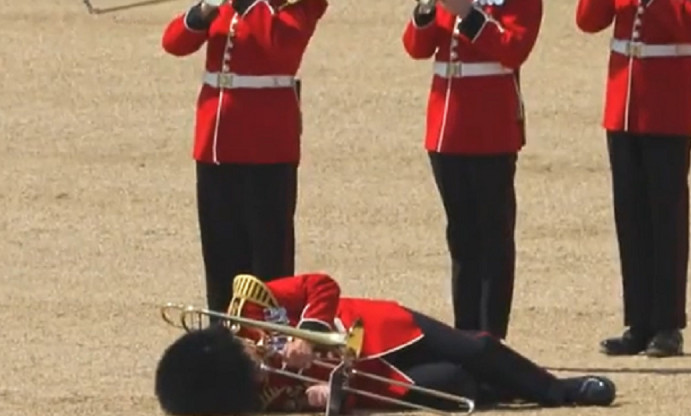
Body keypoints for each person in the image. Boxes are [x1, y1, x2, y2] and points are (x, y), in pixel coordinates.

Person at [154, 273, 617, 414]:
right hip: (371, 376)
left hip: (377, 326)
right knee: (459, 386)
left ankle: (561, 391)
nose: (260, 369)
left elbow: (320, 285)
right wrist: (327, 400)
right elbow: (321, 404)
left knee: (475, 349)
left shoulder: (250, 305)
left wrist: (311, 336)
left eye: (249, 362)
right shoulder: (262, 398)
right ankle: (509, 390)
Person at [160, 0, 328, 313]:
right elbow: (174, 42)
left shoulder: (296, 5)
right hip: (215, 143)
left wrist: (248, 4)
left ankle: (269, 341)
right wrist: (204, 10)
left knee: (268, 257)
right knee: (220, 252)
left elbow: (279, 48)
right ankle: (223, 337)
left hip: (266, 147)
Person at [576, 0, 691, 357]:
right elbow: (588, 21)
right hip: (624, 101)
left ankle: (668, 324)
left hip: (667, 102)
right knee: (631, 216)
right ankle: (638, 321)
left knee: (666, 217)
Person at [400, 0, 543, 340]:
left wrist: (467, 15)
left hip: (490, 129)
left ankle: (491, 336)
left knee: (493, 237)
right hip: (445, 130)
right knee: (461, 237)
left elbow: (513, 50)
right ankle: (464, 334)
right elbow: (417, 48)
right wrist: (425, 11)